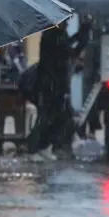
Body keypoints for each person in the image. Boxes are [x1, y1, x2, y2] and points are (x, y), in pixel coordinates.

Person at [28, 18, 90, 161]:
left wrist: (81, 35)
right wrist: (82, 37)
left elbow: (68, 48)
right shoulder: (52, 34)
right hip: (50, 85)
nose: (67, 24)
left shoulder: (59, 34)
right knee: (47, 117)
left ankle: (45, 146)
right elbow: (69, 51)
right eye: (65, 21)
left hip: (57, 84)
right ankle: (35, 148)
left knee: (56, 117)